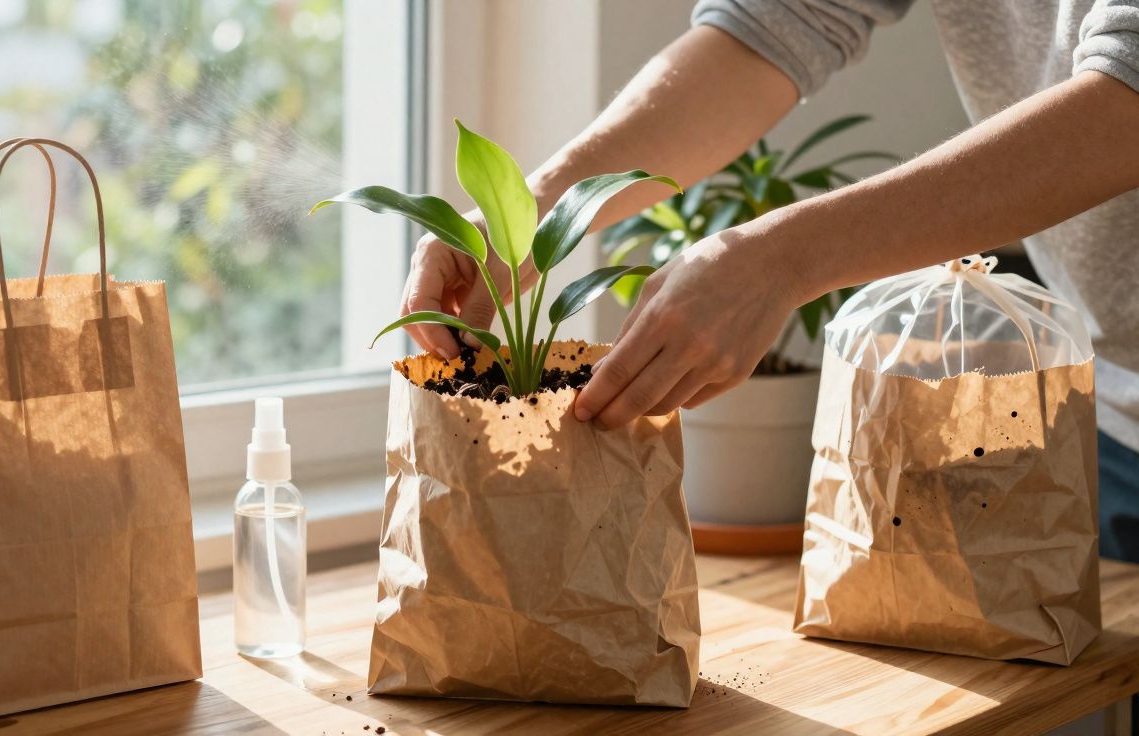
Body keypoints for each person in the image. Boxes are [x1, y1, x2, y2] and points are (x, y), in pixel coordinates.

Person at [398, 2, 1139, 565]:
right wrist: (528, 210)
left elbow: (1128, 93)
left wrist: (782, 258)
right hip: (1110, 405)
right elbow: (779, 22)